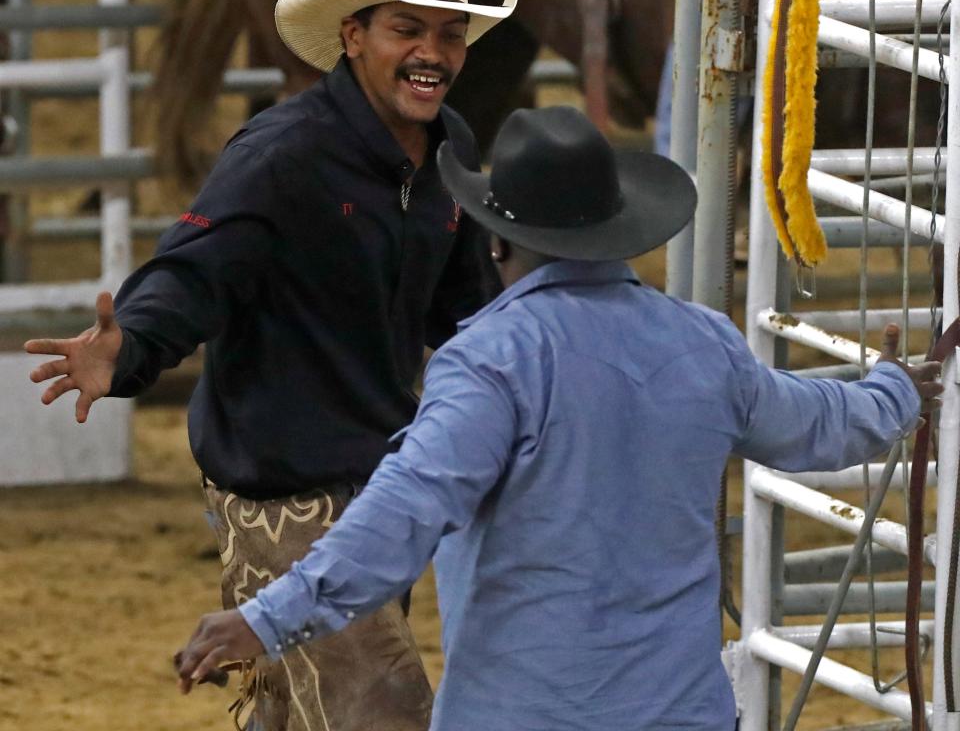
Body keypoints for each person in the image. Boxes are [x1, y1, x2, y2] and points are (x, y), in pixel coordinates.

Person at [174, 105, 943, 730]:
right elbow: (822, 424)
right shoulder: (704, 344)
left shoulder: (490, 362)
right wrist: (902, 388)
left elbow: (406, 511)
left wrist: (270, 616)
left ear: (496, 236)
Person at [25, 0, 519, 731]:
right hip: (282, 496)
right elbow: (194, 270)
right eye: (407, 28)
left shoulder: (447, 150)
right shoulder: (281, 156)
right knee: (381, 707)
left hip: (379, 488)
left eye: (449, 33)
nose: (432, 52)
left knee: (302, 708)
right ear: (353, 36)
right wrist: (134, 345)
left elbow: (462, 306)